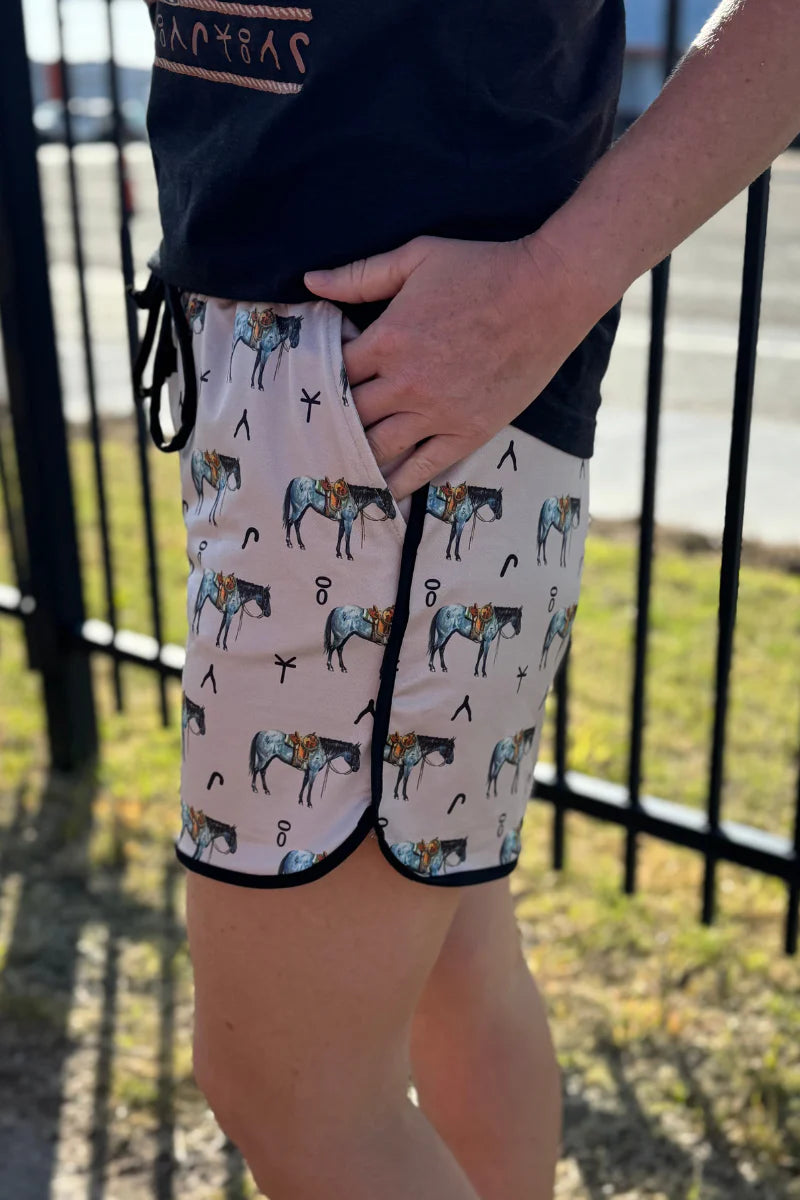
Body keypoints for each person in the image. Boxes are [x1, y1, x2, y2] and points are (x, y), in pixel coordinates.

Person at [131, 1, 800, 1196]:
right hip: (341, 388)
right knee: (453, 959)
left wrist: (556, 278)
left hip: (385, 404)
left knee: (291, 1093)